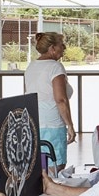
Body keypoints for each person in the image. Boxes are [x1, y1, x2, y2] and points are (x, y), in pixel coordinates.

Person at [24, 32, 75, 171]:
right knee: (55, 166)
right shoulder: (55, 67)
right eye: (61, 45)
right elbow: (60, 99)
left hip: (34, 121)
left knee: (38, 166)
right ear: (52, 48)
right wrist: (70, 125)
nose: (64, 48)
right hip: (53, 123)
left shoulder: (31, 66)